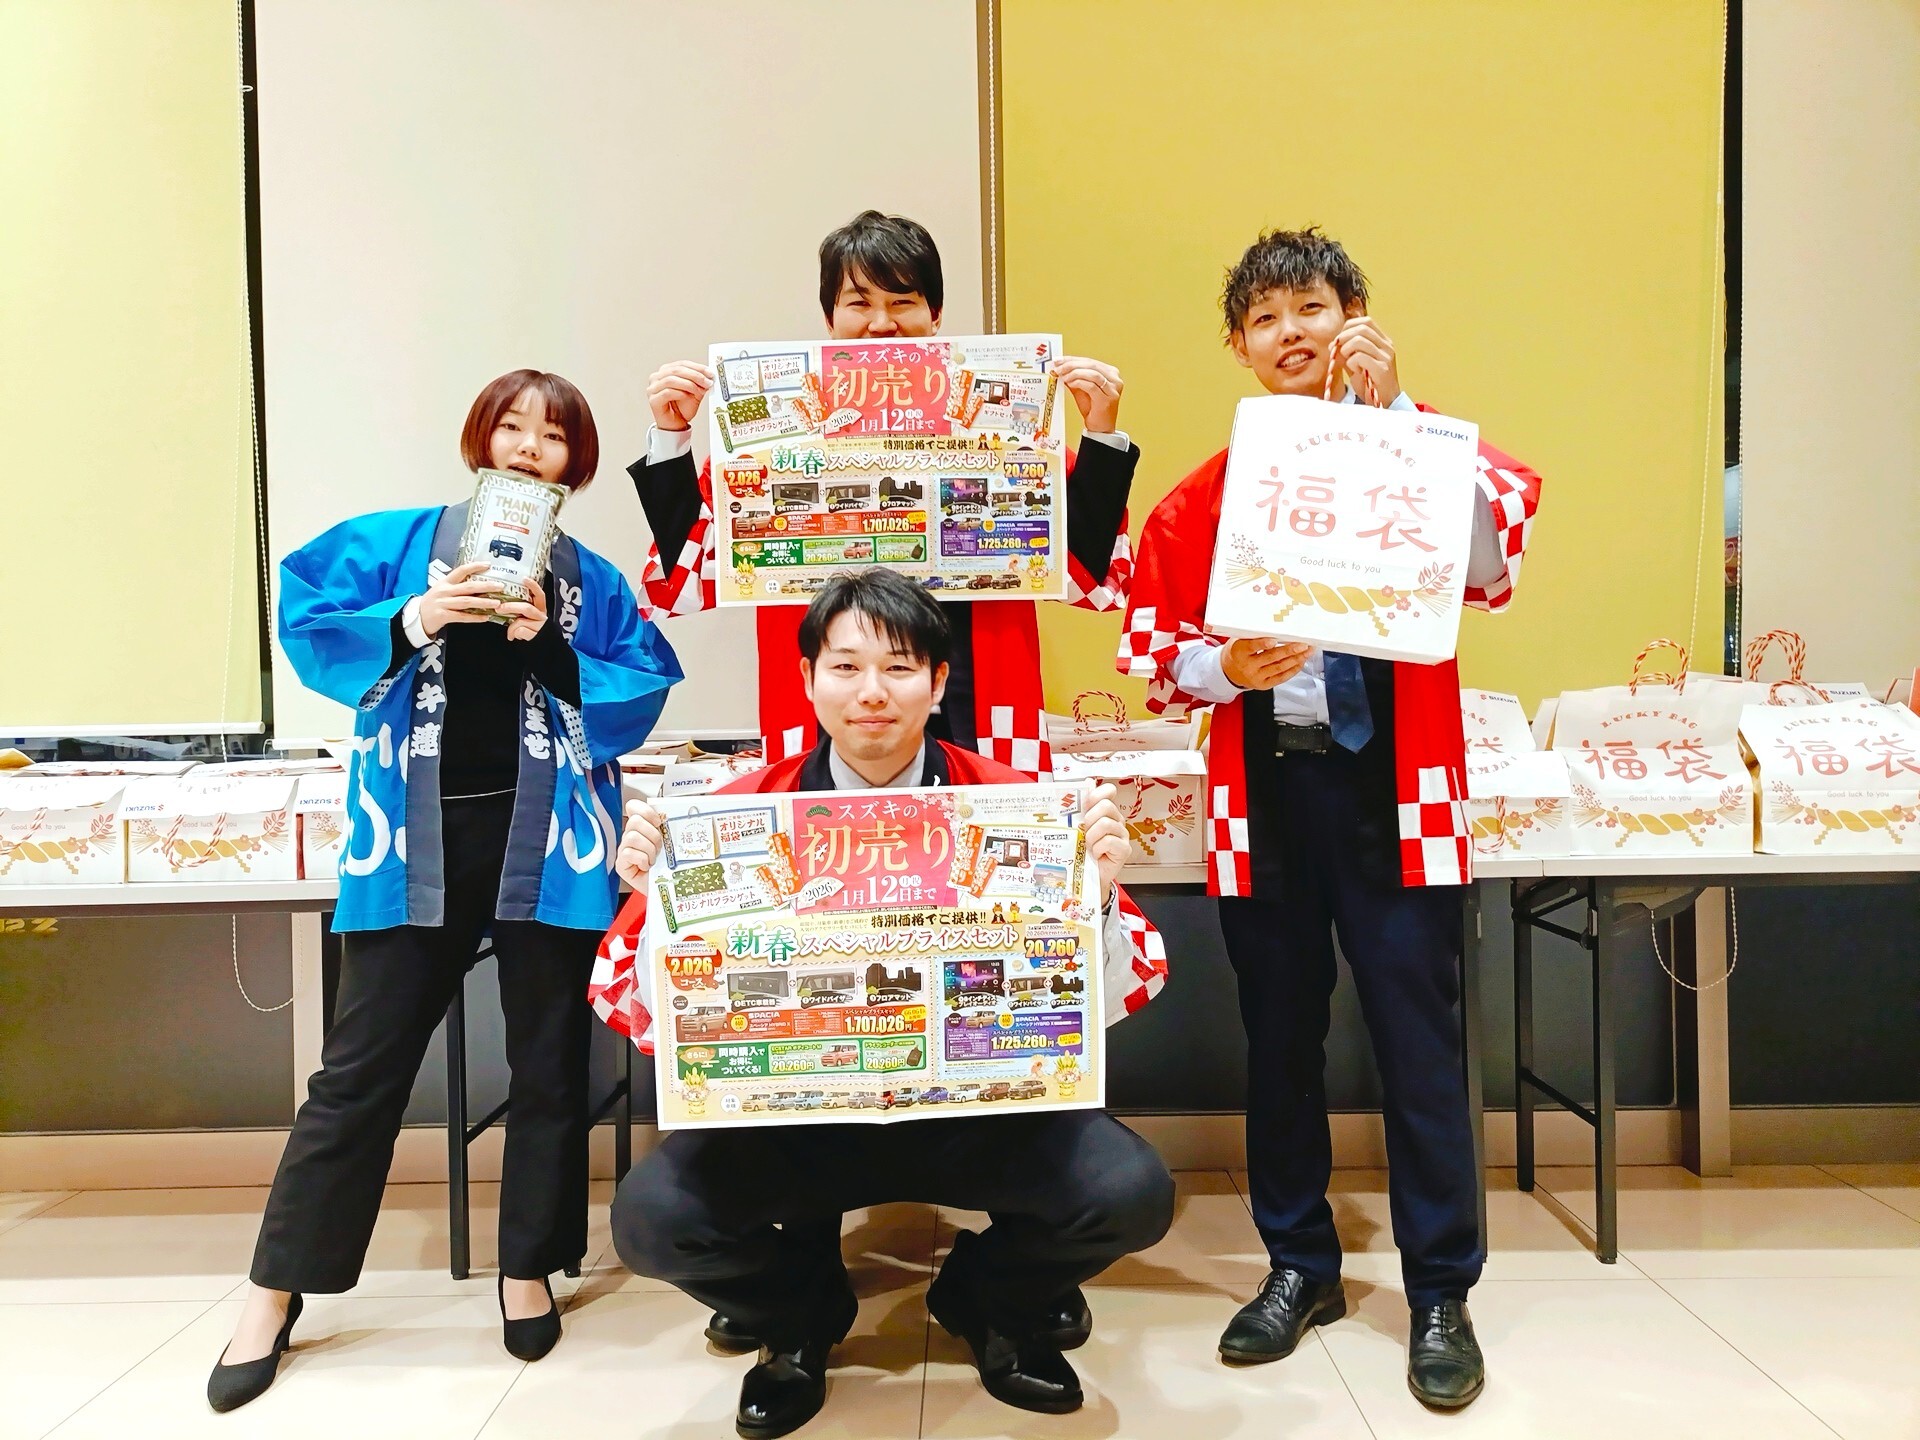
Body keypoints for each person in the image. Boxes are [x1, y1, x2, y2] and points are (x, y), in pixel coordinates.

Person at [593, 569, 1173, 1438]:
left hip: (979, 1114)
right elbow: (649, 1018)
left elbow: (1117, 998)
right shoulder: (733, 816)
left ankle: (988, 1300)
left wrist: (1091, 894)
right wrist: (661, 907)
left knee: (1132, 1192)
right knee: (653, 1220)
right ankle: (799, 1314)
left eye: (899, 668)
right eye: (846, 666)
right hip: (796, 1121)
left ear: (938, 685)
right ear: (807, 680)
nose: (872, 692)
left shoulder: (1014, 804)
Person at [1119, 228, 1542, 1410]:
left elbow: (1491, 568)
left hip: (1400, 788)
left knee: (1421, 1043)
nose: (1291, 331)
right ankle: (1299, 1264)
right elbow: (1153, 651)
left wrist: (1394, 414)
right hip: (1267, 789)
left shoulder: (1431, 451)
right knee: (1280, 1036)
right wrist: (1227, 668)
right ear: (1240, 347)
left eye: (1311, 306)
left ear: (1356, 314)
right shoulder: (1206, 495)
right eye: (1265, 318)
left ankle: (1442, 1289)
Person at [207, 370, 683, 1412]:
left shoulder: (591, 578)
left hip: (552, 842)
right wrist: (417, 614)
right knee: (358, 1070)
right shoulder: (394, 541)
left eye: (553, 436)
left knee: (548, 1063)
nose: (528, 447)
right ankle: (273, 1292)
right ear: (480, 438)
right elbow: (308, 612)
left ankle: (527, 1268)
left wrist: (549, 646)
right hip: (411, 839)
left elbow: (644, 683)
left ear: (575, 464)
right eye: (511, 426)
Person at [633, 208, 1138, 776]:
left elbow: (1089, 577)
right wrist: (672, 437)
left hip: (978, 695)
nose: (881, 324)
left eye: (902, 302)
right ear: (829, 319)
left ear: (935, 314)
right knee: (823, 823)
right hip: (826, 707)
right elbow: (684, 584)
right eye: (859, 303)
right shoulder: (778, 436)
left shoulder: (998, 426)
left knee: (990, 819)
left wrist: (1100, 435)